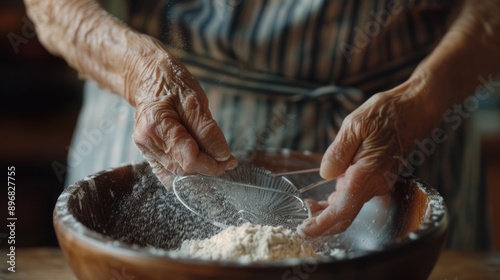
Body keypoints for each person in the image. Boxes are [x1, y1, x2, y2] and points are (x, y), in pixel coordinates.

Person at [25, 0, 499, 249]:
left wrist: (420, 101)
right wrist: (140, 73)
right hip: (165, 116)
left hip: (406, 126)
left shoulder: (416, 110)